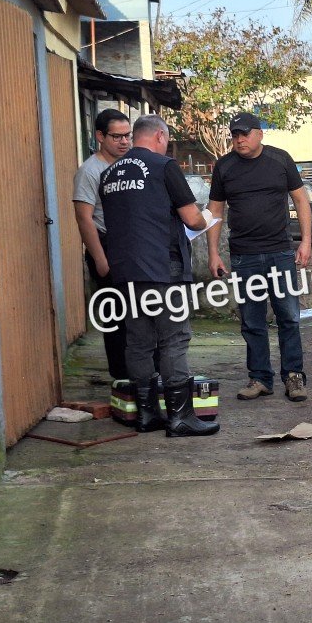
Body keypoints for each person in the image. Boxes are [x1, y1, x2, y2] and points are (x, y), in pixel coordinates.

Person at [100, 114, 218, 438]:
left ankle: (147, 415)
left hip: (125, 271)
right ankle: (180, 417)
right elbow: (192, 219)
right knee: (173, 339)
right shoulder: (164, 166)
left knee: (138, 342)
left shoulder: (109, 174)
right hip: (163, 269)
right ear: (160, 137)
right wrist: (209, 216)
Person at [206, 112, 312, 403]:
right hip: (244, 256)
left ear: (259, 133)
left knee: (288, 317)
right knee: (252, 320)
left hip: (280, 252)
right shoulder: (225, 167)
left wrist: (305, 241)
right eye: (235, 135)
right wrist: (213, 252)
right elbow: (215, 211)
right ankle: (260, 378)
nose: (239, 140)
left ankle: (293, 376)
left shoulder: (280, 160)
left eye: (245, 134)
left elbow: (300, 199)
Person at [72, 108, 131, 380]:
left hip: (131, 247)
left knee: (139, 314)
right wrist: (100, 260)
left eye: (127, 135)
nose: (124, 141)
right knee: (116, 317)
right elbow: (84, 218)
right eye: (116, 136)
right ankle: (121, 378)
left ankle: (141, 375)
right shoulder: (90, 171)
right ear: (99, 136)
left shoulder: (130, 165)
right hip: (106, 247)